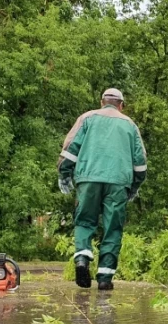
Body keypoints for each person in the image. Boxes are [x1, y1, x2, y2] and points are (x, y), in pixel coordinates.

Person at [57, 88, 147, 291]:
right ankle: (105, 278)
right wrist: (135, 186)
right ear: (121, 105)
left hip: (88, 178)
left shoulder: (87, 118)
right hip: (118, 182)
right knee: (113, 228)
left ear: (101, 102)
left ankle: (82, 258)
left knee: (84, 221)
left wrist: (64, 174)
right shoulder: (130, 125)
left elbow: (70, 148)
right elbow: (140, 161)